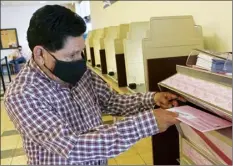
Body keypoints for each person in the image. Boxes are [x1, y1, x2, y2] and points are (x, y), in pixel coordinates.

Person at [4, 5, 185, 165]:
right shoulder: (22, 95)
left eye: (81, 53)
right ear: (40, 54)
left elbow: (112, 101)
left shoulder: (82, 73)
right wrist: (148, 122)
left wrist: (152, 99)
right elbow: (72, 147)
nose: (79, 61)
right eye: (72, 55)